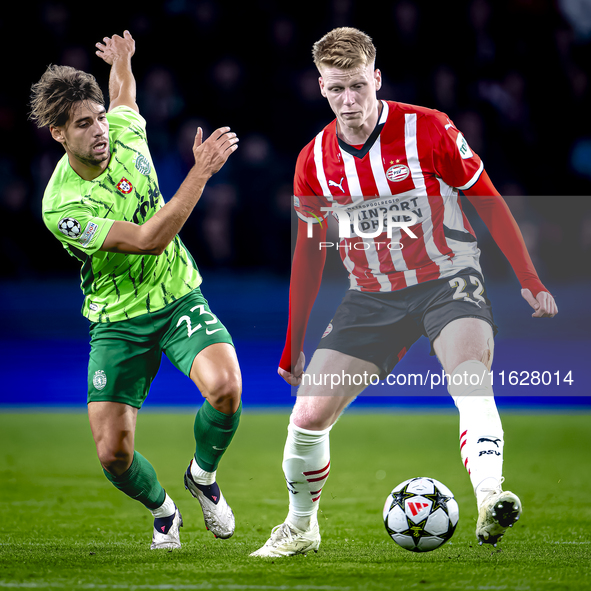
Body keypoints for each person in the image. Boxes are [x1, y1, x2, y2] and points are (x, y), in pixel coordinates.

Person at [251, 27, 558, 558]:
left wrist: (529, 279)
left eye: (355, 87)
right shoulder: (313, 161)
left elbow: (487, 199)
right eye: (333, 90)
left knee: (469, 377)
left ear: (375, 78)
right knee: (305, 419)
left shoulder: (430, 130)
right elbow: (308, 254)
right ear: (320, 87)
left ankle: (490, 498)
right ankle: (302, 528)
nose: (347, 102)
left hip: (448, 280)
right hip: (372, 296)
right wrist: (291, 342)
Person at [30, 31, 242, 550]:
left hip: (176, 295)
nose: (100, 130)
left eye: (99, 117)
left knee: (227, 388)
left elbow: (122, 93)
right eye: (84, 124)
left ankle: (203, 477)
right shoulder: (62, 205)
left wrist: (122, 61)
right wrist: (201, 172)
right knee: (113, 455)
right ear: (58, 133)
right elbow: (148, 240)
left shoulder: (121, 126)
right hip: (117, 320)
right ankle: (164, 510)